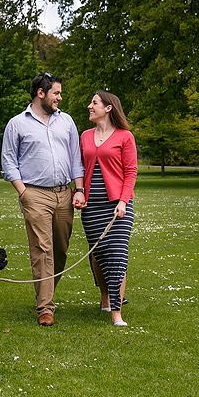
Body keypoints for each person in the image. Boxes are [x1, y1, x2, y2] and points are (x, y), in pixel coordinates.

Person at [1, 73, 86, 326]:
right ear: (41, 93)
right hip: (34, 193)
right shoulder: (17, 124)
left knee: (60, 249)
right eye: (56, 93)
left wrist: (79, 189)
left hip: (64, 193)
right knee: (43, 249)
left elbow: (75, 158)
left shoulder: (67, 121)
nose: (60, 97)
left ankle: (45, 291)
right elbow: (8, 160)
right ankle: (45, 308)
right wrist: (22, 192)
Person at [77, 90, 137, 327]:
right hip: (92, 207)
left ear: (108, 108)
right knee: (98, 255)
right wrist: (79, 192)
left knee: (118, 255)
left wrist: (123, 201)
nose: (89, 106)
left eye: (94, 103)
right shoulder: (85, 136)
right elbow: (79, 168)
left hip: (118, 205)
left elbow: (131, 172)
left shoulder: (125, 137)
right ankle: (105, 297)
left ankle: (116, 312)